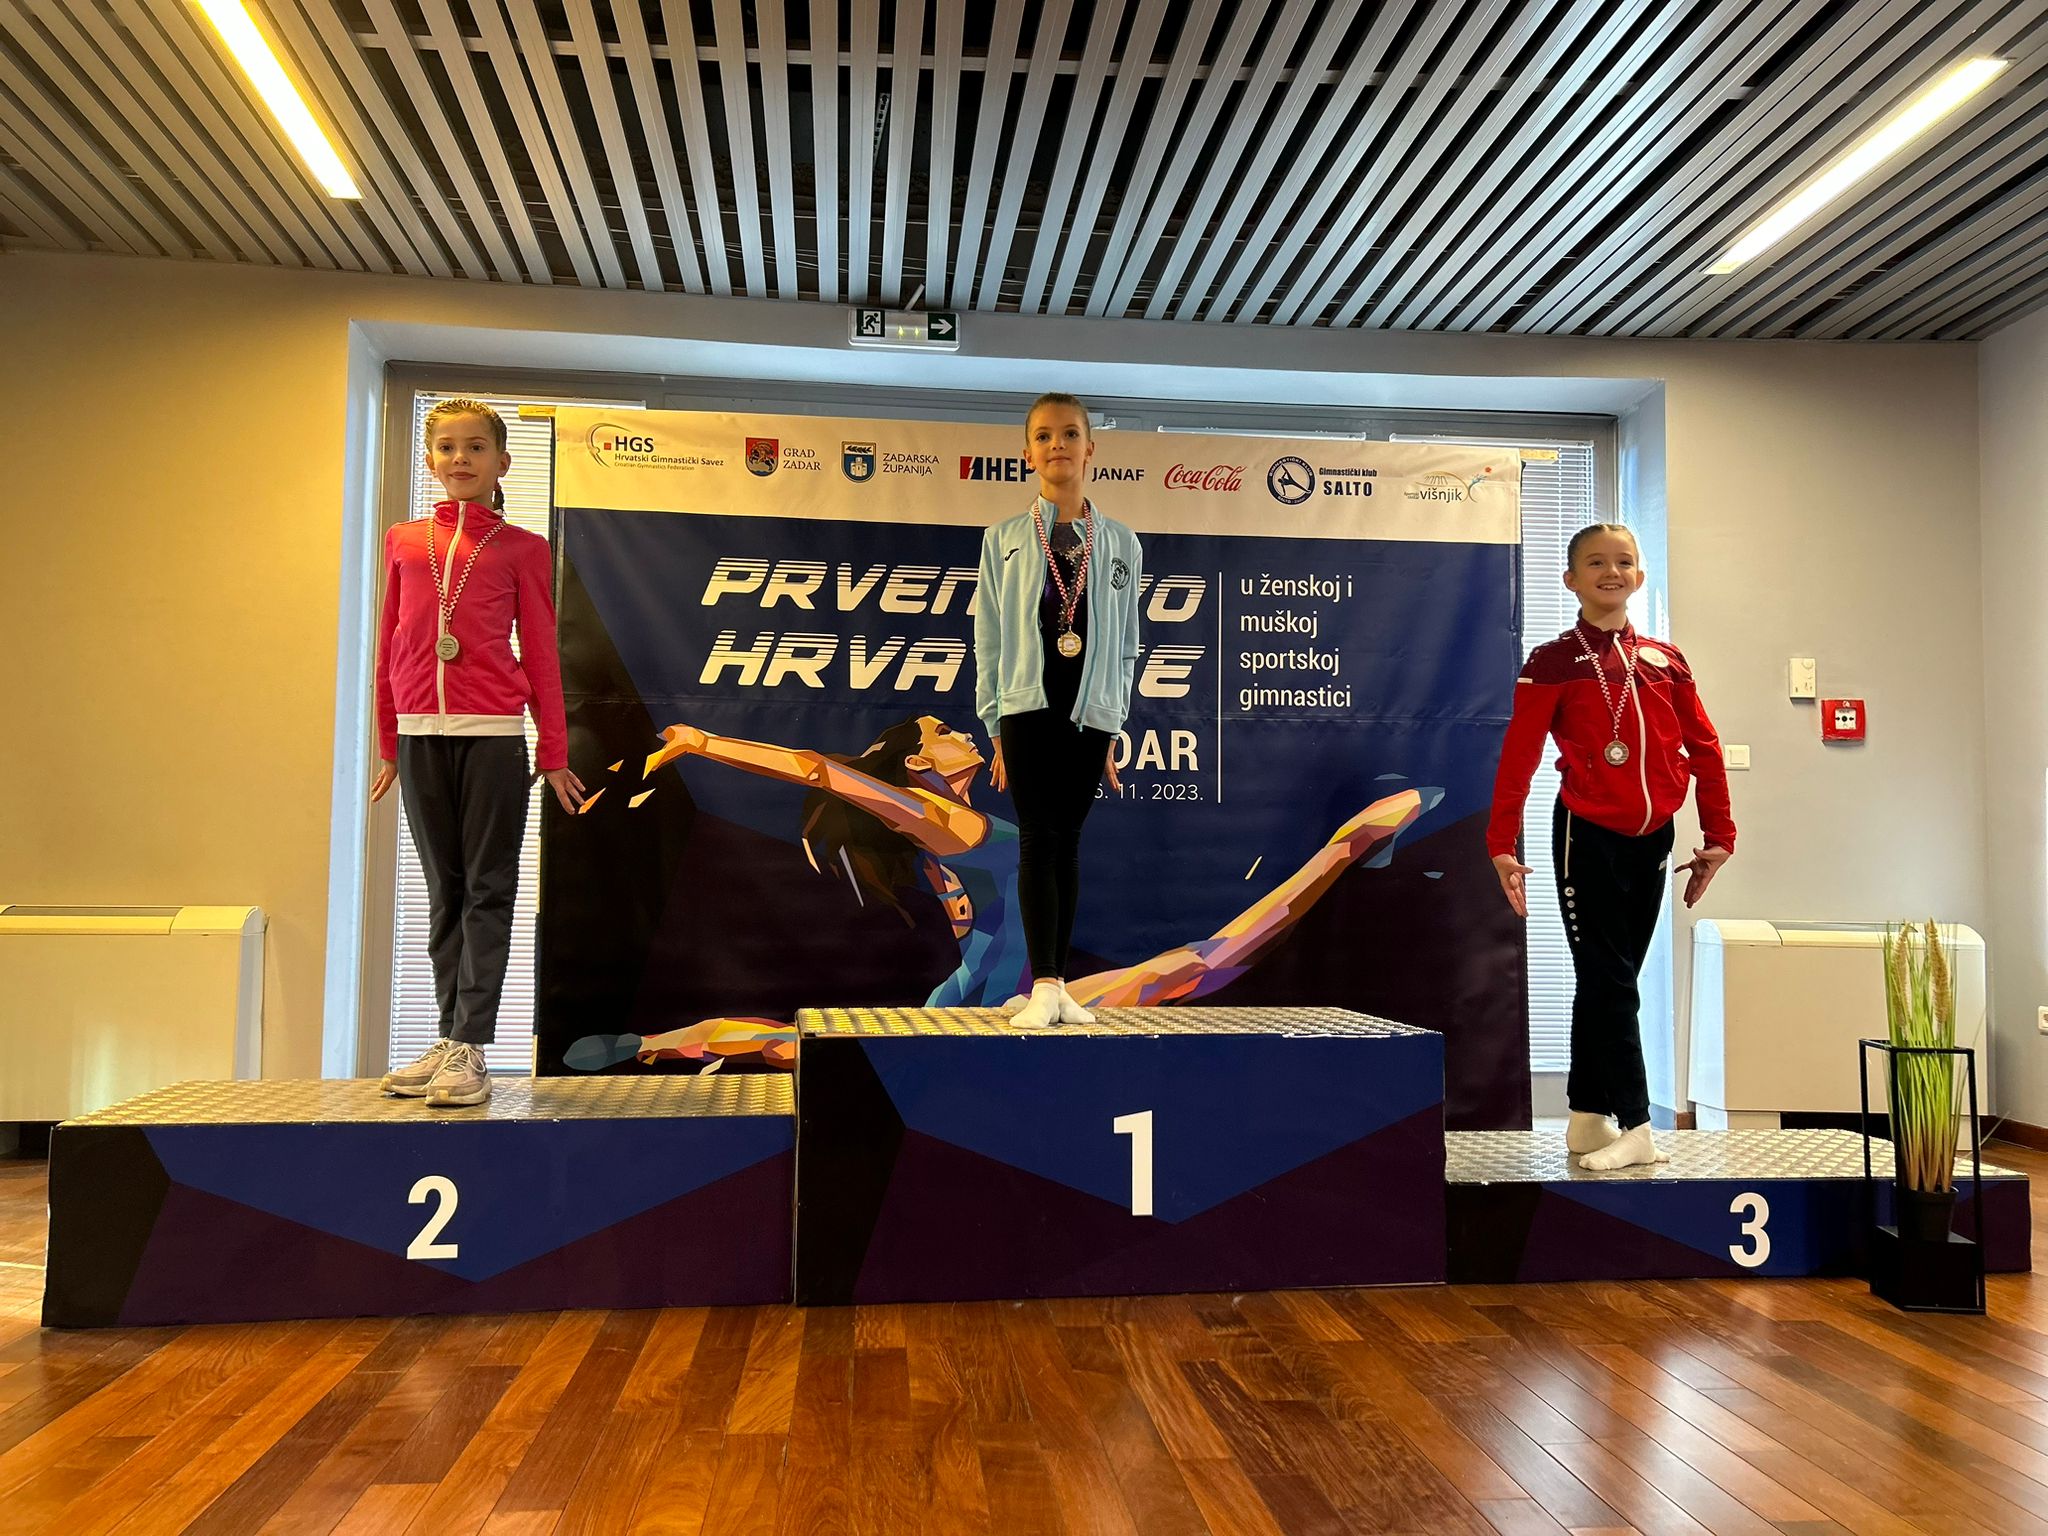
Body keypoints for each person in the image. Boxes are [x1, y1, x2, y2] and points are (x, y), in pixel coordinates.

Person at [1487, 523, 1735, 1171]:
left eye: (1623, 561)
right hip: (1586, 835)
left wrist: (1719, 836)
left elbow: (1705, 749)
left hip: (1654, 839)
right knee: (1611, 981)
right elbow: (1519, 757)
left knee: (1608, 982)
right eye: (1595, 563)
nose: (1611, 572)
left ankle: (1587, 1115)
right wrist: (1501, 842)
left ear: (1639, 576)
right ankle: (1636, 1123)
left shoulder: (1665, 659)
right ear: (1571, 580)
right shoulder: (1552, 662)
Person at [370, 398, 585, 1107]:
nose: (459, 458)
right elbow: (390, 644)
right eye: (446, 447)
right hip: (418, 736)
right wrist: (388, 743)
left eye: (475, 447)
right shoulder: (404, 540)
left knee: (488, 889)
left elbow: (543, 653)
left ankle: (473, 1044)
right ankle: (447, 1036)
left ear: (502, 462)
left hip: (492, 737)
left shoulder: (522, 548)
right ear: (430, 459)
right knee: (445, 892)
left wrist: (553, 752)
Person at [976, 392, 1145, 1029]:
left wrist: (1112, 722)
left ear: (1090, 448)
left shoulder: (1122, 543)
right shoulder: (1004, 539)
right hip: (1026, 708)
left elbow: (1127, 645)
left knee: (1067, 842)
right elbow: (989, 639)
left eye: (1070, 434)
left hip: (1090, 713)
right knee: (1037, 838)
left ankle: (1057, 985)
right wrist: (994, 725)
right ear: (1027, 453)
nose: (1058, 445)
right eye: (1044, 436)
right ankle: (1044, 982)